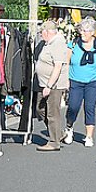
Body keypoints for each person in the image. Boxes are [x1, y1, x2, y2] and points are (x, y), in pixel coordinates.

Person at [64, 17, 96, 146]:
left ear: (92, 32)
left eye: (87, 31)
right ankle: (69, 128)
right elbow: (66, 62)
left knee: (90, 107)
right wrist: (65, 80)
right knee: (73, 106)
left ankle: (89, 136)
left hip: (93, 81)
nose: (83, 33)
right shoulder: (73, 44)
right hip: (75, 80)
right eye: (82, 30)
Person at [34, 19, 70, 152]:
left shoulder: (58, 43)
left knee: (52, 113)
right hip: (44, 83)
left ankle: (54, 141)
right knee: (40, 109)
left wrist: (49, 85)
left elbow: (58, 66)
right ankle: (58, 133)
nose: (40, 35)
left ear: (47, 32)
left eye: (41, 32)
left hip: (54, 84)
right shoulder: (49, 43)